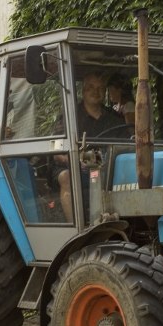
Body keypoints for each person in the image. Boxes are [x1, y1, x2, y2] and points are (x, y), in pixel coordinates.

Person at [55, 72, 127, 221]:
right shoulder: (70, 116)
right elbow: (57, 149)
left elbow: (126, 145)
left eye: (101, 88)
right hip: (76, 167)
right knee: (65, 177)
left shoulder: (114, 118)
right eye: (91, 87)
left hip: (109, 164)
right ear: (83, 91)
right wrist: (77, 160)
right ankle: (76, 232)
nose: (96, 91)